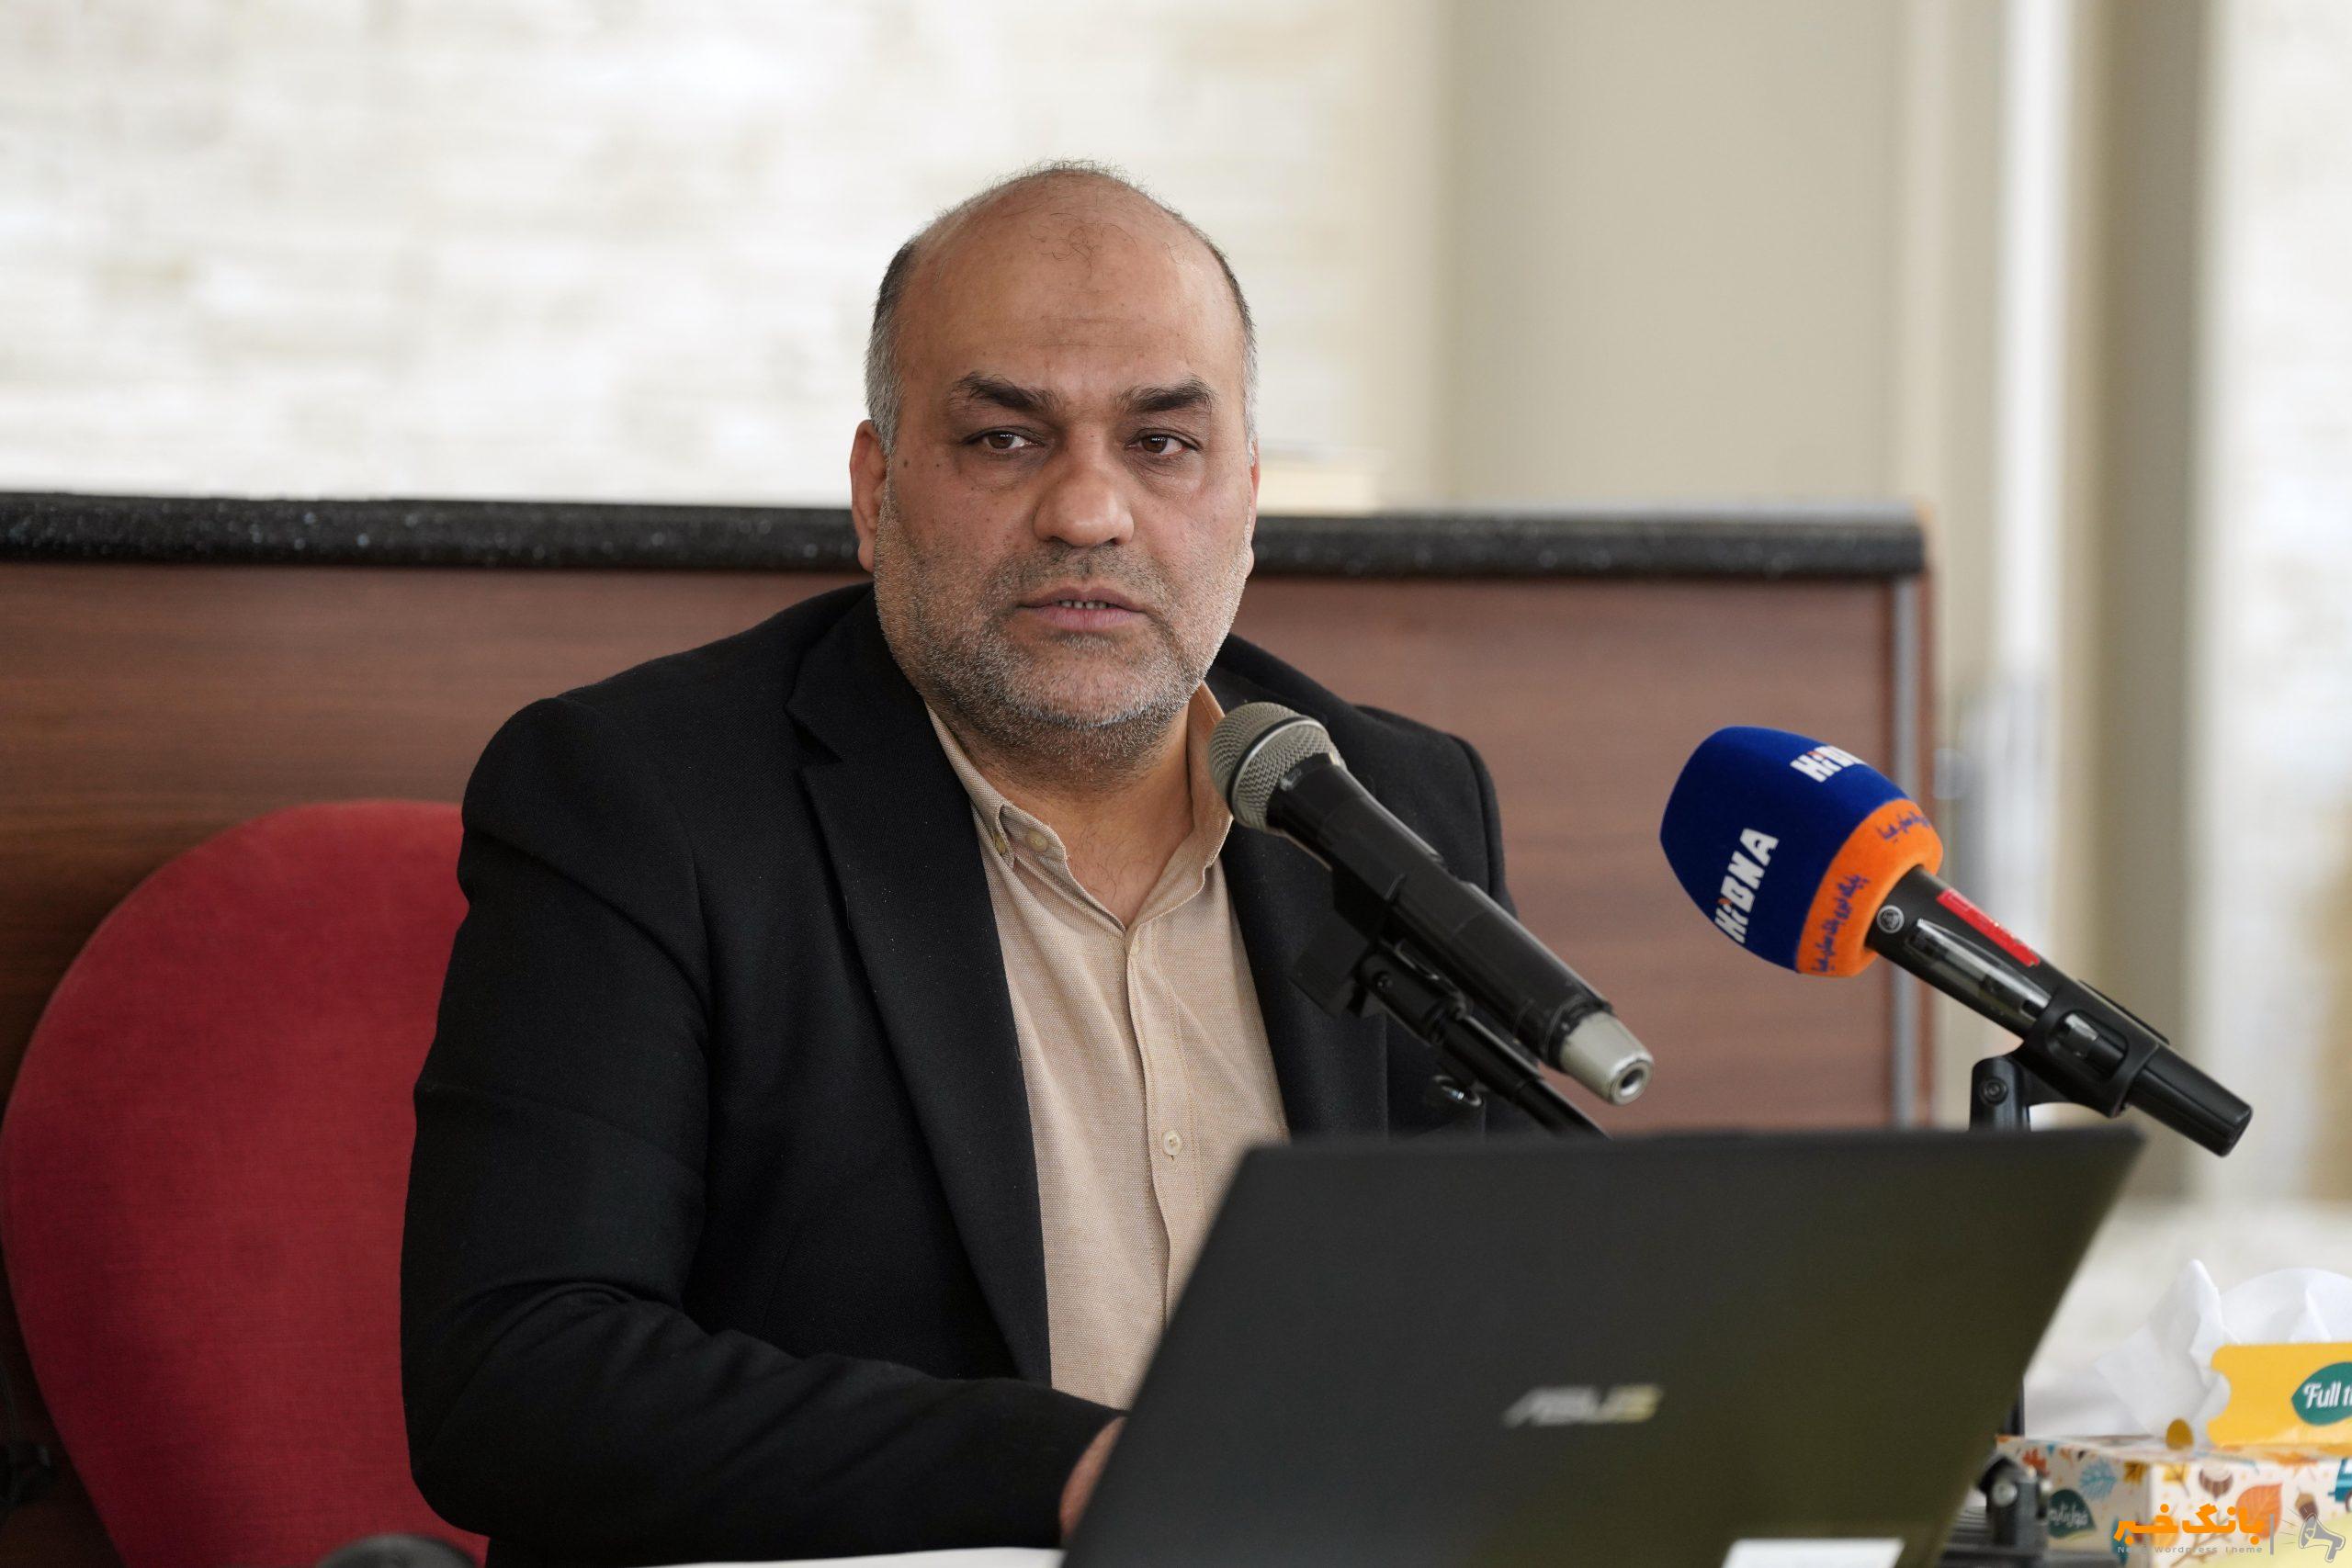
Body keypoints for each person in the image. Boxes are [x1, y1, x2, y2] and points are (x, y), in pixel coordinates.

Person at [401, 161, 1528, 1568]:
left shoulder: (1388, 807)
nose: (1089, 512)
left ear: (1247, 496)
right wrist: (1069, 1471)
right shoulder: (642, 802)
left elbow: (1516, 1315)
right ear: (876, 488)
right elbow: (518, 1374)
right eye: (1005, 439)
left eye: (1163, 442)